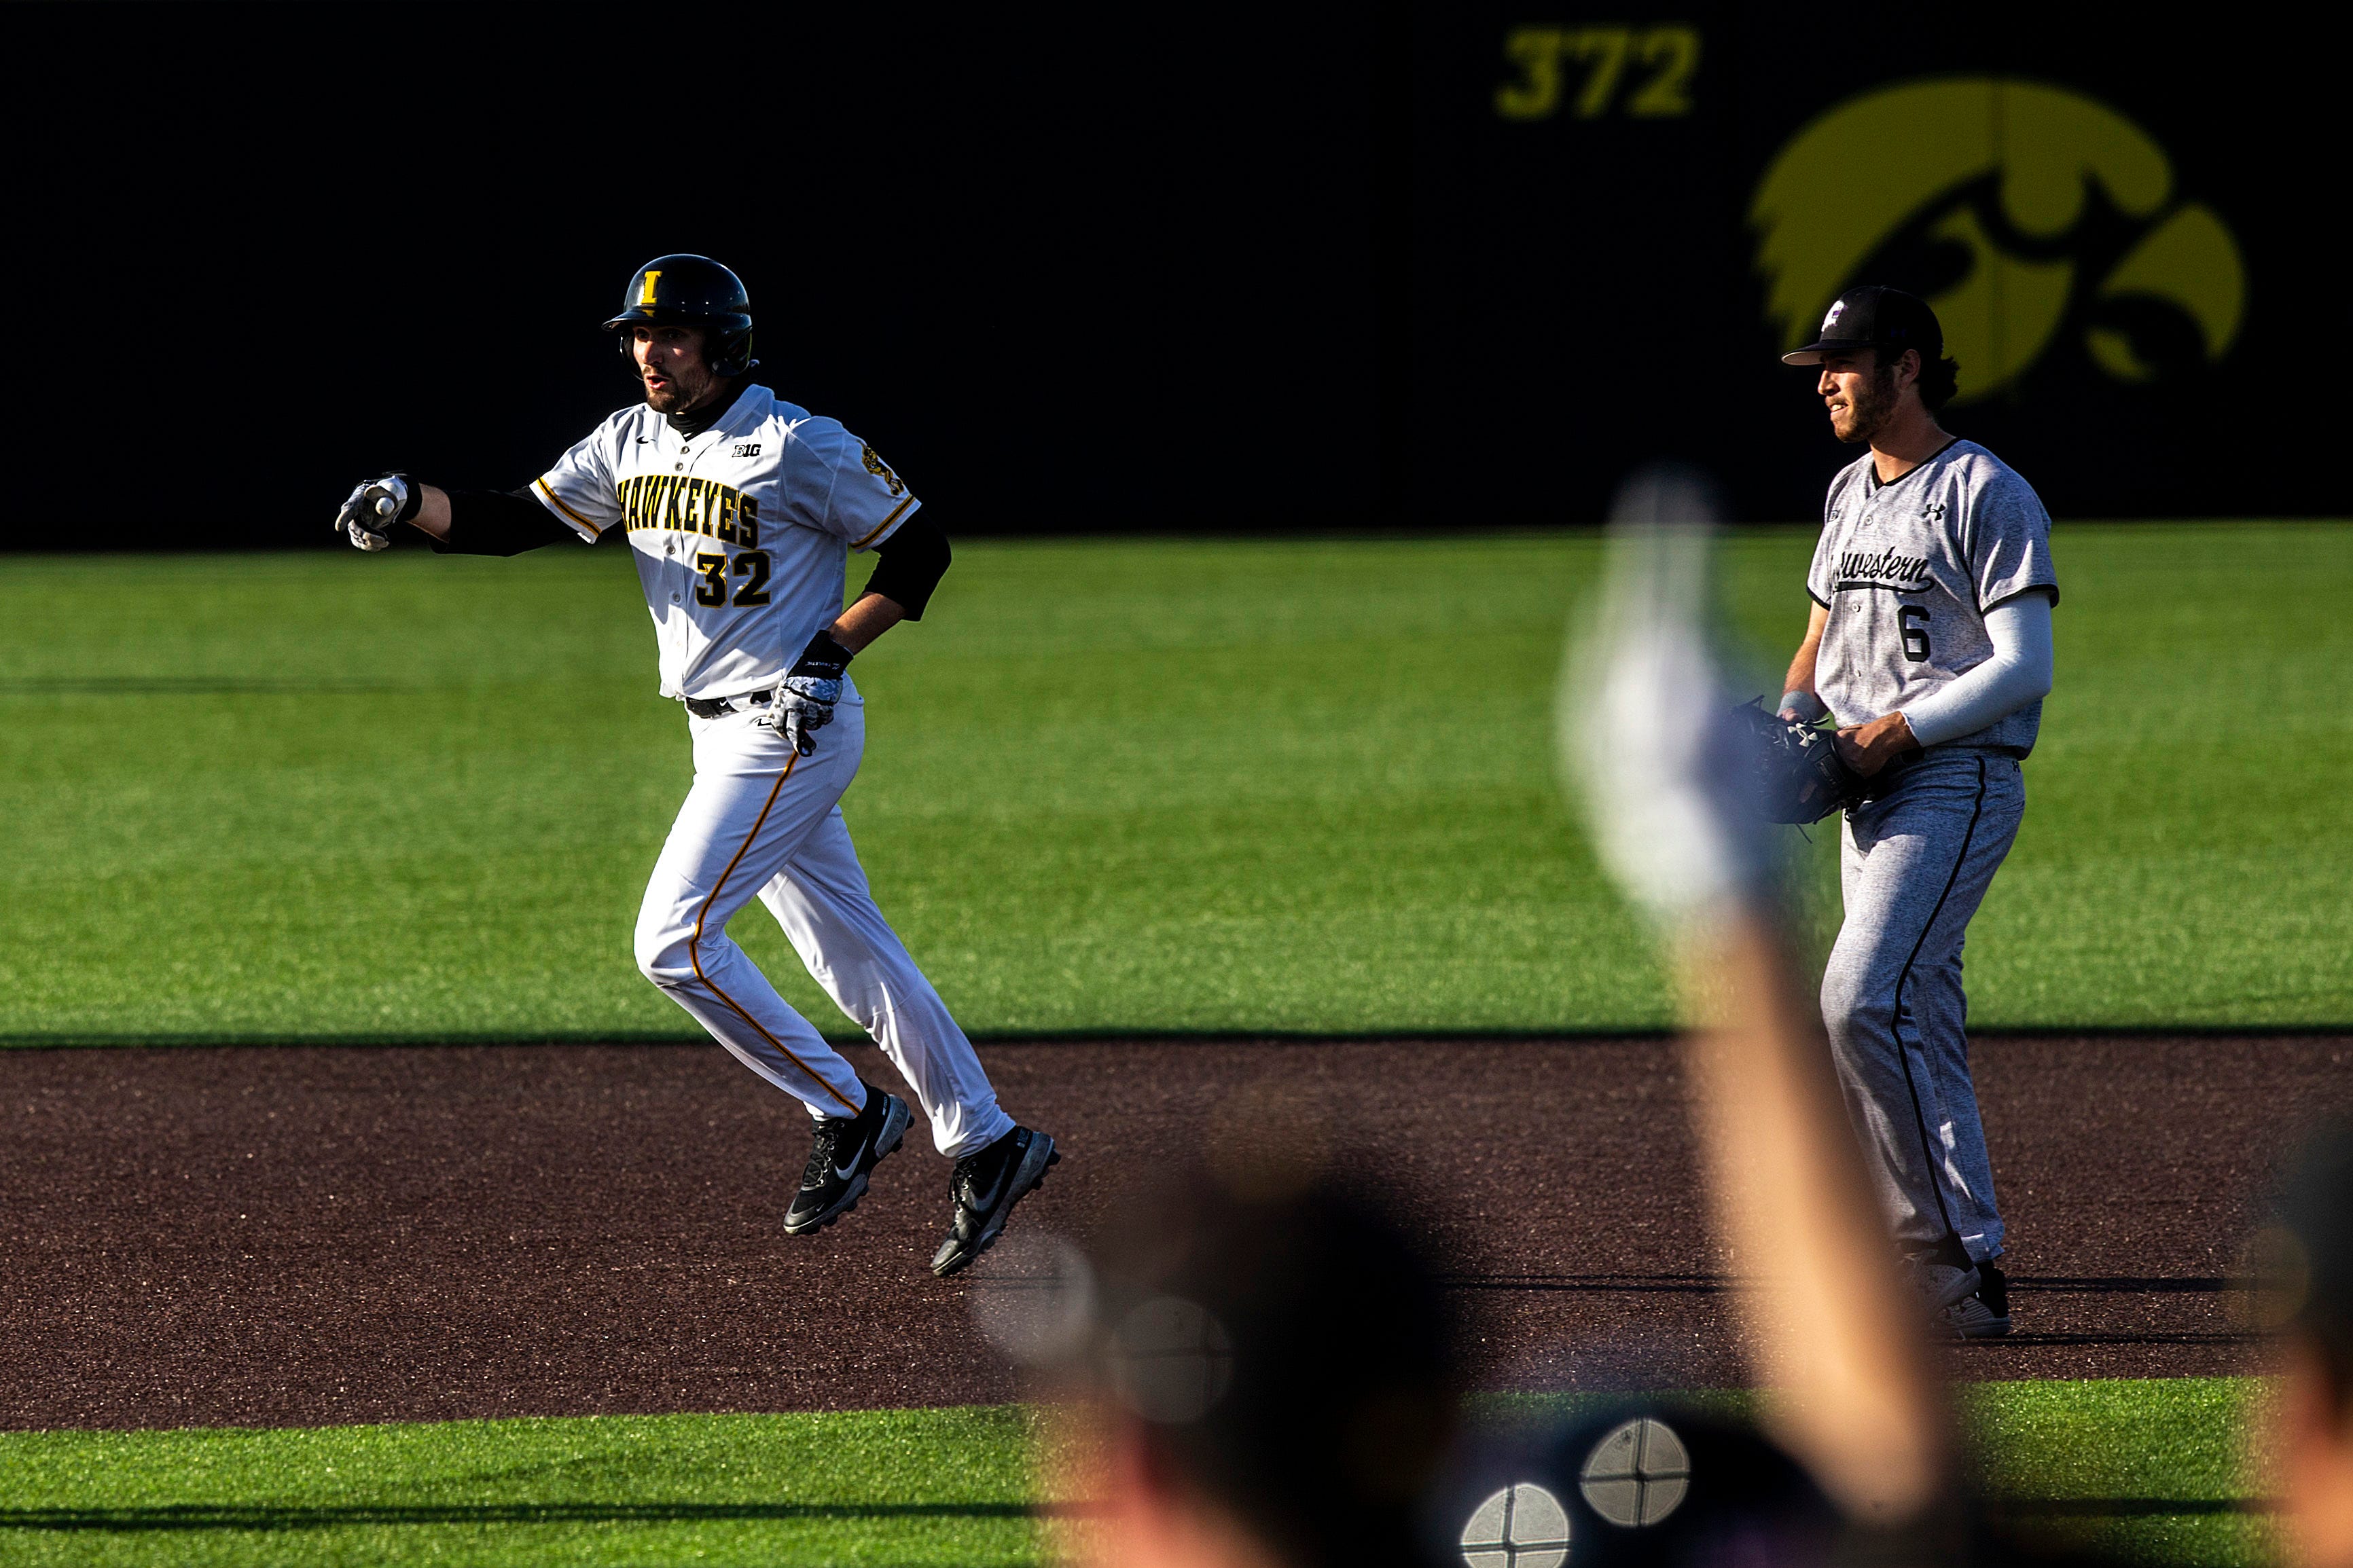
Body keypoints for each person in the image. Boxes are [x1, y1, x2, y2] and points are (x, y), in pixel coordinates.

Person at [331, 254, 1056, 1277]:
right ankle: (988, 1139)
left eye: (671, 335)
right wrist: (411, 501)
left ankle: (848, 1109)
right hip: (716, 731)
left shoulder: (797, 442)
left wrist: (831, 649)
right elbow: (516, 522)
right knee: (851, 952)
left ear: (725, 344)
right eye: (639, 335)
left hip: (788, 724)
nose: (650, 353)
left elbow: (920, 550)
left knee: (672, 942)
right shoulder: (628, 440)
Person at [1773, 286, 2058, 1338]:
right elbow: (1820, 638)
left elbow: (2024, 666)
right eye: (1821, 367)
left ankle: (1933, 1261)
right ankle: (1965, 1273)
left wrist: (1894, 731)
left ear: (1907, 367)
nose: (1826, 383)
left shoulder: (1986, 490)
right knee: (1917, 1014)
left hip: (1953, 779)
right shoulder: (1849, 490)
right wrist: (1793, 720)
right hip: (1867, 795)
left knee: (1859, 996)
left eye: (1844, 364)